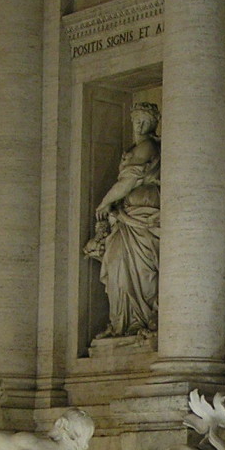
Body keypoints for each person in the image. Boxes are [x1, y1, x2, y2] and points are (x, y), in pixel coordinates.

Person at [84, 102, 161, 338]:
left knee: (143, 272)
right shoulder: (132, 148)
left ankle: (142, 319)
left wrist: (105, 202)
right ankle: (123, 323)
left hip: (143, 215)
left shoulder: (147, 146)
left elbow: (128, 181)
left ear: (153, 124)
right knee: (117, 264)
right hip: (126, 219)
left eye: (145, 121)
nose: (140, 125)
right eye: (137, 120)